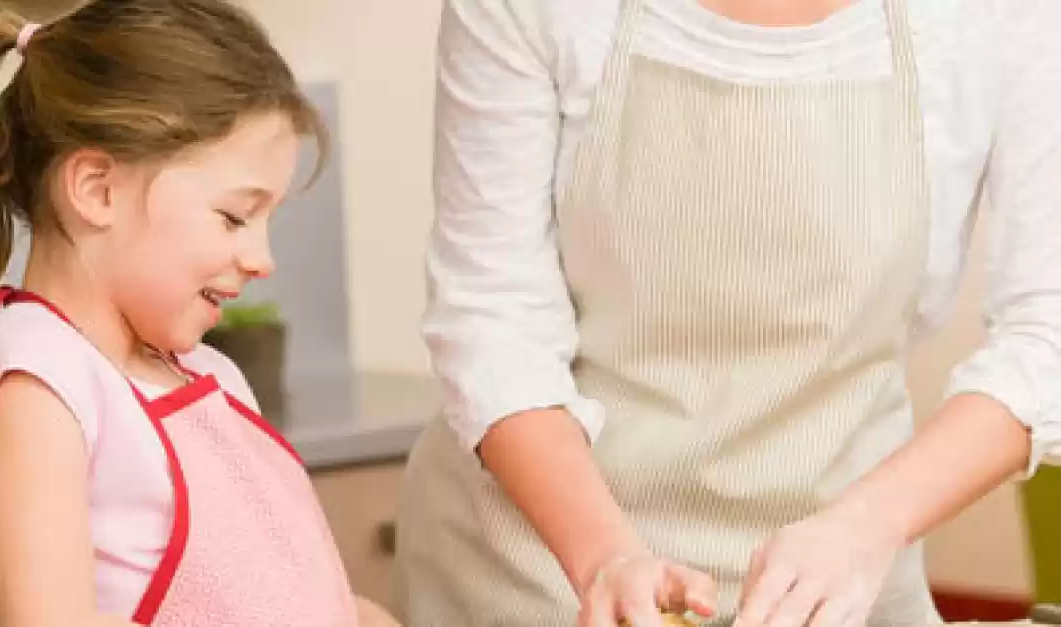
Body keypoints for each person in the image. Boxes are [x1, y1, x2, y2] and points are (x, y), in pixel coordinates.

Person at [394, 0, 1061, 625]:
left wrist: (868, 523)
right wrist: (606, 558)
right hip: (541, 575)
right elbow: (492, 321)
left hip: (839, 587)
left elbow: (1047, 332)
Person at [0, 2, 400, 626]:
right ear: (98, 190)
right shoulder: (43, 387)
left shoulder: (208, 376)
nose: (262, 258)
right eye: (233, 216)